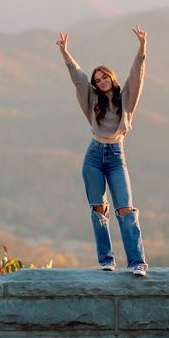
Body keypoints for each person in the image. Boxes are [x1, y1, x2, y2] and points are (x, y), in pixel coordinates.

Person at [57, 26, 149, 277]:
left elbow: (136, 74)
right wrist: (65, 53)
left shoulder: (126, 97)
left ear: (111, 77)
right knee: (99, 209)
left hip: (117, 156)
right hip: (94, 156)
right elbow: (77, 76)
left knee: (125, 209)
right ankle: (107, 259)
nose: (100, 81)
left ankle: (137, 262)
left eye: (104, 77)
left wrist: (142, 46)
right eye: (97, 80)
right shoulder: (92, 100)